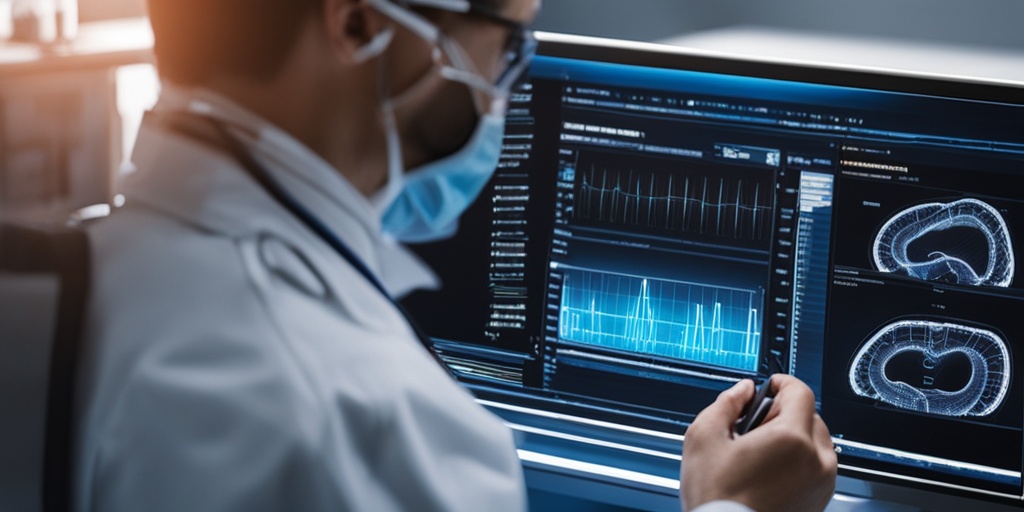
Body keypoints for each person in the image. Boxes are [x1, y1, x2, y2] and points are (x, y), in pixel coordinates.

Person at [73, 0, 837, 510]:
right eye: (506, 45)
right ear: (360, 24)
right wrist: (732, 506)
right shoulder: (373, 421)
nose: (504, 86)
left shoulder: (67, 278)